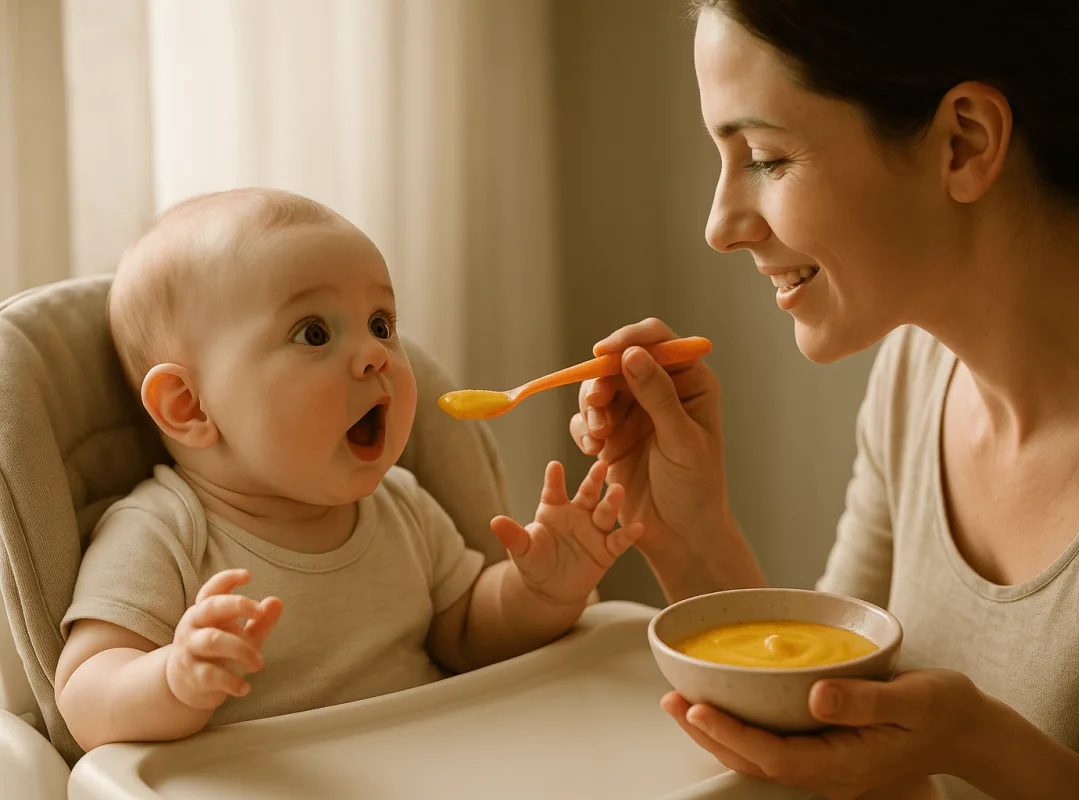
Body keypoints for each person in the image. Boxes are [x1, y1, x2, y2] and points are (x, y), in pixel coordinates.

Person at [572, 2, 1079, 798]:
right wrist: (690, 532)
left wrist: (980, 745)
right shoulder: (917, 373)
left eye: (764, 158)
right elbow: (835, 725)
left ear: (965, 141)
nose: (720, 226)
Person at [54, 188, 644, 751]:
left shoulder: (402, 505)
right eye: (314, 334)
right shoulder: (162, 532)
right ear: (189, 406)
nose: (375, 354)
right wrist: (173, 678)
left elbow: (467, 632)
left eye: (381, 324)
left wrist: (542, 591)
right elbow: (85, 693)